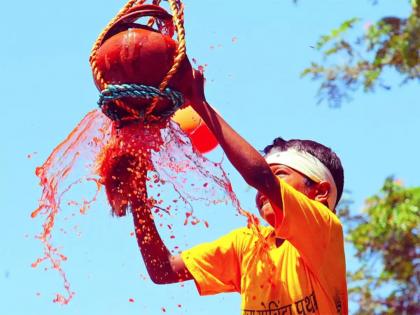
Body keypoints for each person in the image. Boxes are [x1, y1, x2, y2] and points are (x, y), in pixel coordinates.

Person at [130, 70, 348, 314]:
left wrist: (199, 102)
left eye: (281, 174)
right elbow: (164, 269)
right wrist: (136, 190)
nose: (261, 189)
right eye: (270, 176)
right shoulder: (249, 246)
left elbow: (261, 178)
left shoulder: (324, 229)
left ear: (319, 192)